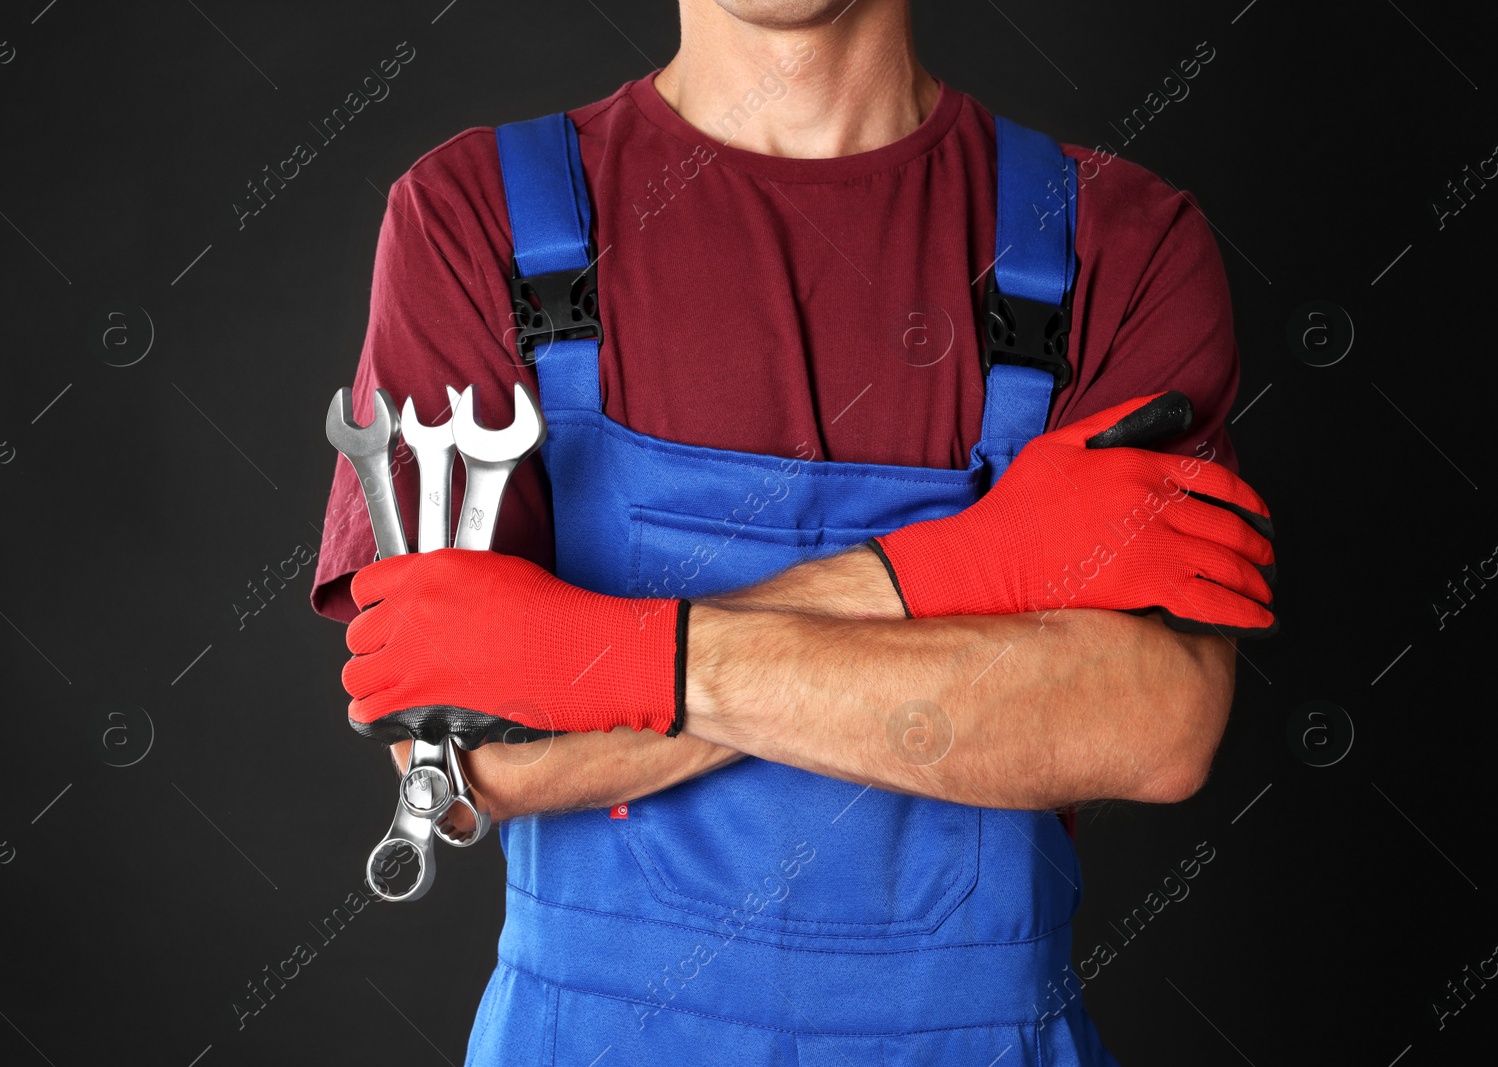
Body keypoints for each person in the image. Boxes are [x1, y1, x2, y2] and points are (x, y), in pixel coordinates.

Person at [311, 2, 1277, 1063]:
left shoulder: (1114, 239)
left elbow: (1154, 725)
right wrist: (961, 571)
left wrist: (591, 665)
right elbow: (457, 764)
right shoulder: (476, 217)